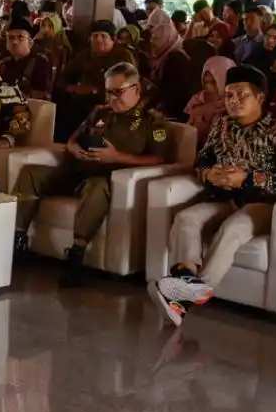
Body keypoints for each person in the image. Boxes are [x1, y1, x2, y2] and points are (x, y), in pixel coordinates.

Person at [148, 66, 276, 326]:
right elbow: (202, 161)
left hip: (261, 203)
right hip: (223, 197)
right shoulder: (222, 125)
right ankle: (185, 281)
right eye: (229, 95)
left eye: (242, 95)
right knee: (186, 219)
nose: (234, 101)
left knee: (233, 229)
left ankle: (187, 295)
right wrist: (209, 174)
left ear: (260, 98)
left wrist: (248, 178)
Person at [13, 62, 168, 284]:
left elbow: (159, 159)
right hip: (76, 170)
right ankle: (17, 241)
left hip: (106, 177)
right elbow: (73, 138)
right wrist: (74, 148)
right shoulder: (100, 112)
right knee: (30, 173)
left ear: (136, 89)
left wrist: (117, 157)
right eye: (109, 92)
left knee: (97, 188)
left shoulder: (152, 121)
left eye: (118, 92)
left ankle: (76, 255)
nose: (112, 98)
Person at [56, 19, 133, 140]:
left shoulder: (123, 56)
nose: (98, 40)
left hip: (109, 110)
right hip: (80, 107)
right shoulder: (84, 56)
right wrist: (71, 88)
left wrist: (95, 91)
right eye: (95, 36)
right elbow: (63, 78)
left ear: (112, 39)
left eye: (103, 36)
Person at [145, 7, 193, 120]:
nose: (152, 40)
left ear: (165, 33)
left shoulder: (177, 59)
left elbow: (171, 93)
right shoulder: (163, 54)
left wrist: (147, 106)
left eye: (155, 35)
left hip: (174, 116)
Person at [0, 17, 53, 98]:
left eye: (21, 37)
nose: (15, 42)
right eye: (11, 37)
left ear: (30, 43)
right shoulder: (4, 64)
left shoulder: (39, 62)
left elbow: (38, 97)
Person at [185, 56, 235, 140]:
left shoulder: (234, 105)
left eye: (214, 82)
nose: (209, 87)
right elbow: (188, 128)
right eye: (206, 82)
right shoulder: (199, 100)